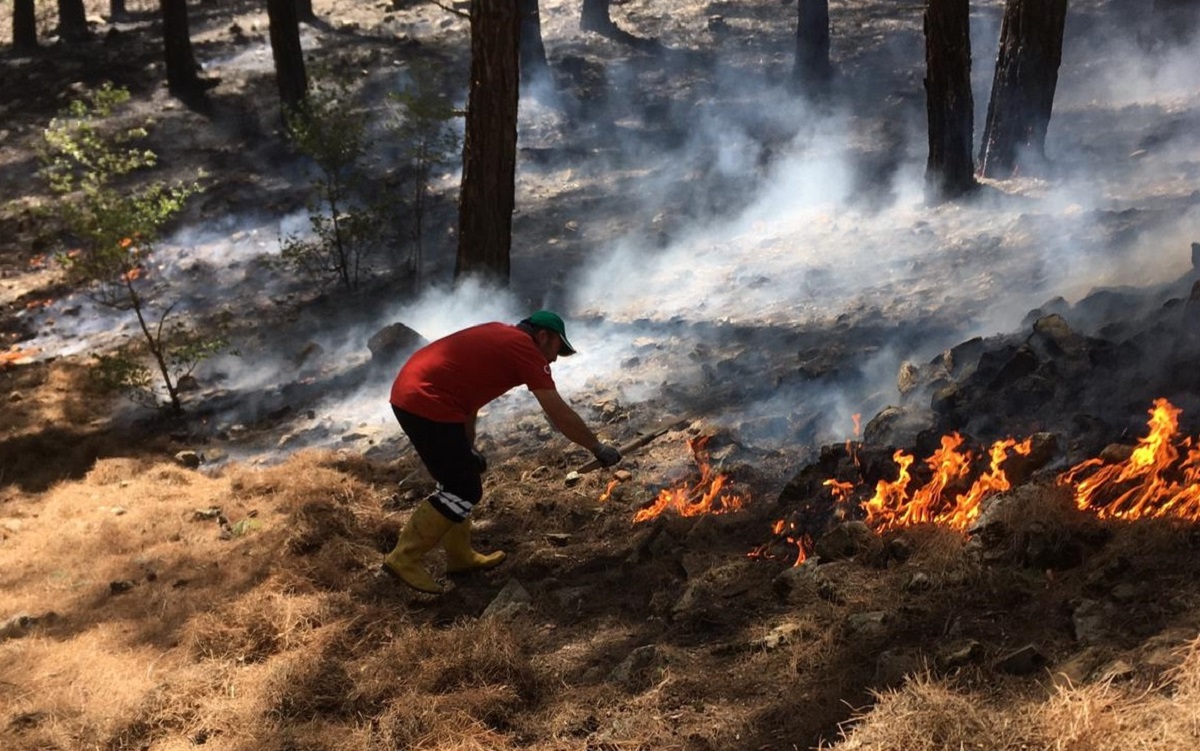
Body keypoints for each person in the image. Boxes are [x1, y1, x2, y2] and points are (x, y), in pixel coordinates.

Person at [383, 310, 622, 594]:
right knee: (464, 489)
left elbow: (468, 394)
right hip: (426, 400)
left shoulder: (501, 335)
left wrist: (467, 447)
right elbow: (557, 411)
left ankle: (460, 558)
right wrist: (596, 446)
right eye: (557, 349)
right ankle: (404, 557)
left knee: (459, 478)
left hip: (413, 392)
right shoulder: (524, 348)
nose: (554, 359)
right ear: (543, 336)